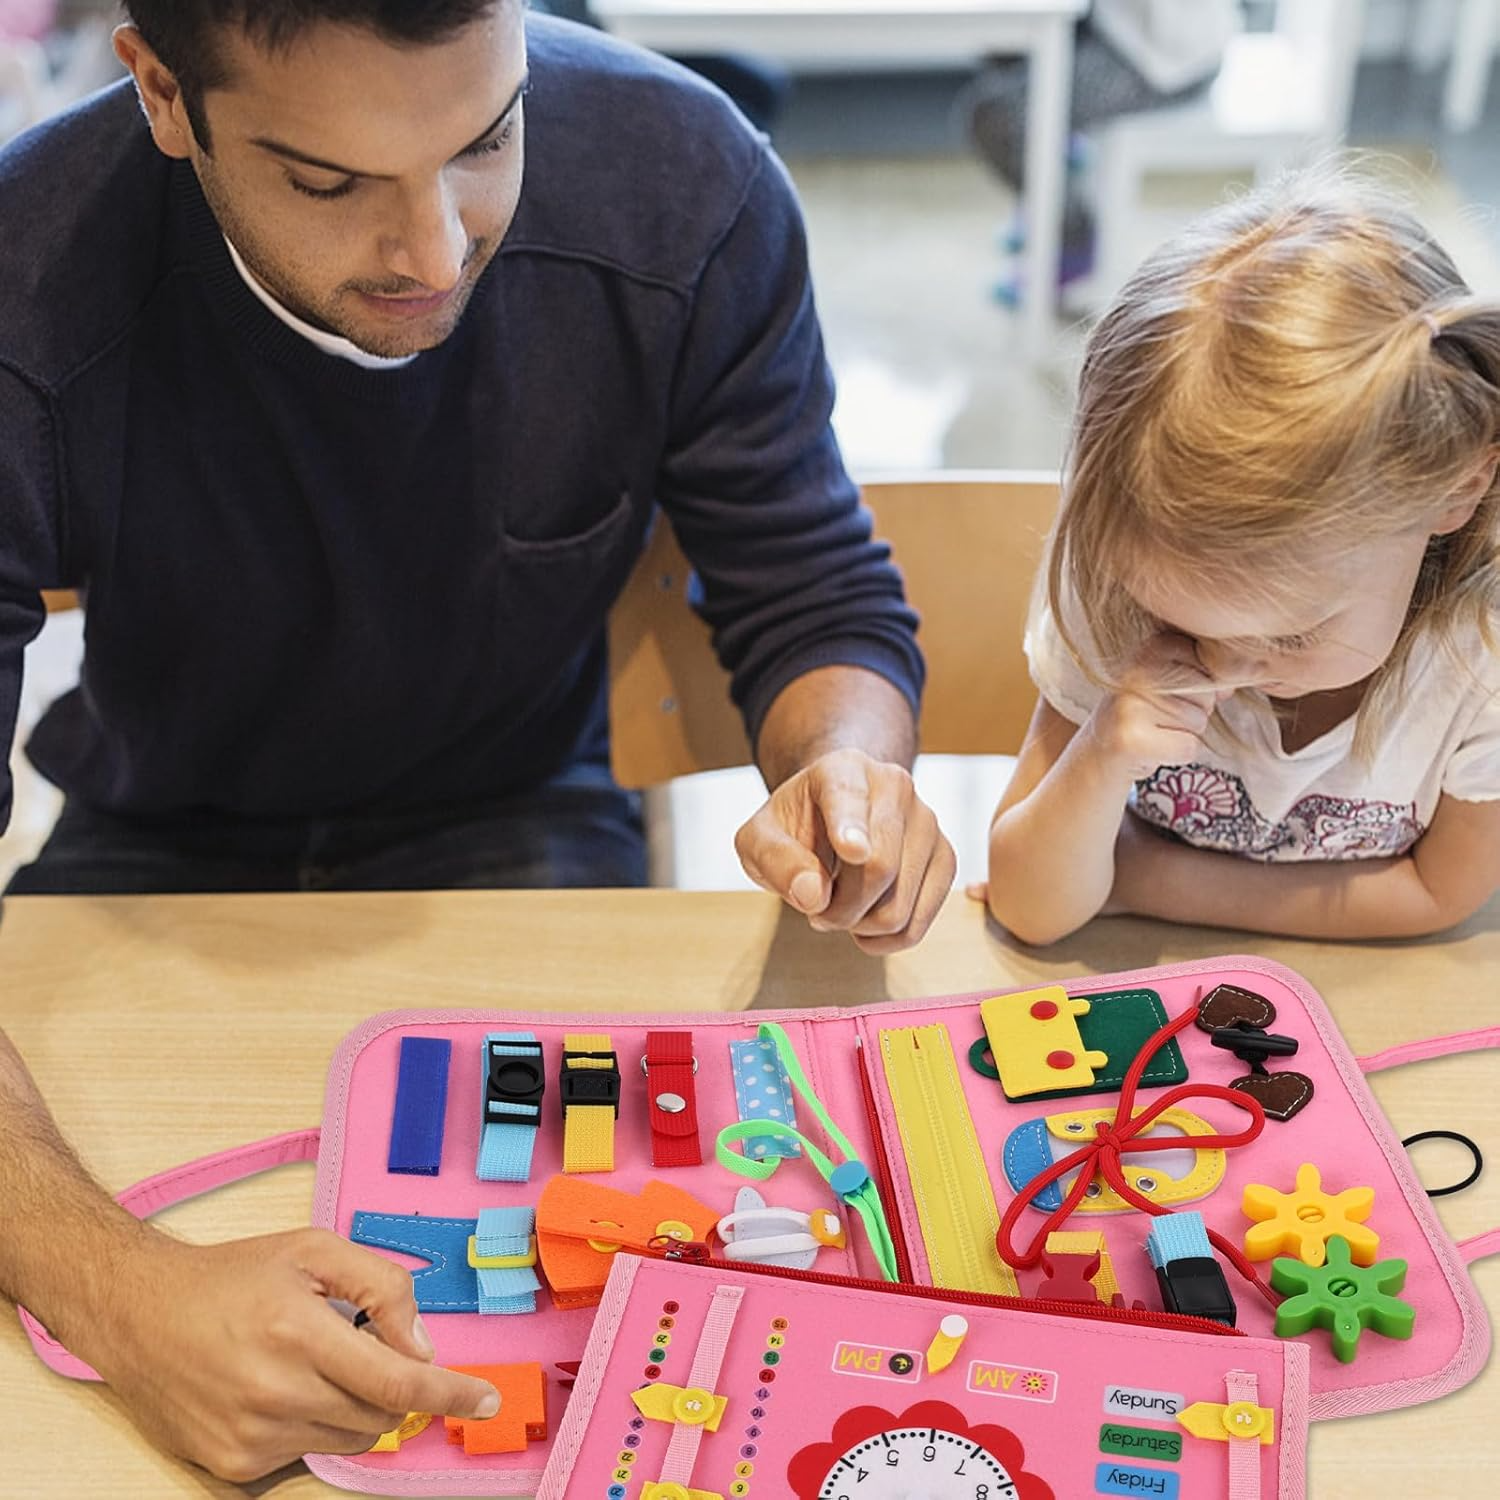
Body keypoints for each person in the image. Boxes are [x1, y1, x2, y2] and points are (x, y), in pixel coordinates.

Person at [0, 0, 956, 1479]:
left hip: (522, 816)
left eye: (487, 139)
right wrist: (123, 1295)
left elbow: (815, 586)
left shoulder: (681, 183)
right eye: (329, 182)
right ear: (163, 96)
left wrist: (850, 769)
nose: (438, 251)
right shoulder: (28, 276)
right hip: (157, 831)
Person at [983, 173, 1500, 945]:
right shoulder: (1115, 591)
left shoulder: (1480, 656)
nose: (1223, 664)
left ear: (1457, 487)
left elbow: (1438, 893)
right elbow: (1028, 905)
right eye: (1174, 619)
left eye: (1291, 635)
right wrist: (1098, 758)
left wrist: (1141, 878)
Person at [957, 0, 1239, 297]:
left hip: (1164, 60)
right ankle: (1058, 174)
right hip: (1118, 29)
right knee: (1005, 44)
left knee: (998, 117)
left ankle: (1074, 237)